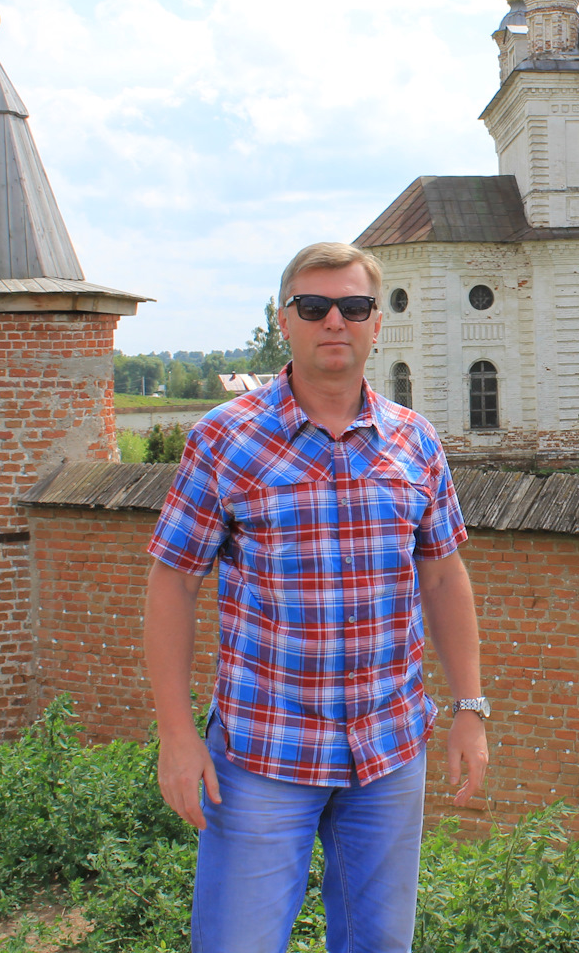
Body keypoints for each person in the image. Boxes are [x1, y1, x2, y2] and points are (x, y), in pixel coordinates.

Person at [145, 241, 488, 953]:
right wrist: (177, 736)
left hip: (388, 750)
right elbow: (173, 582)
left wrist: (470, 710)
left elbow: (444, 576)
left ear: (375, 324)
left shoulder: (414, 442)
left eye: (355, 306)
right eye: (315, 306)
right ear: (285, 321)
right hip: (263, 751)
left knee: (379, 946)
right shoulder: (225, 439)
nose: (336, 320)